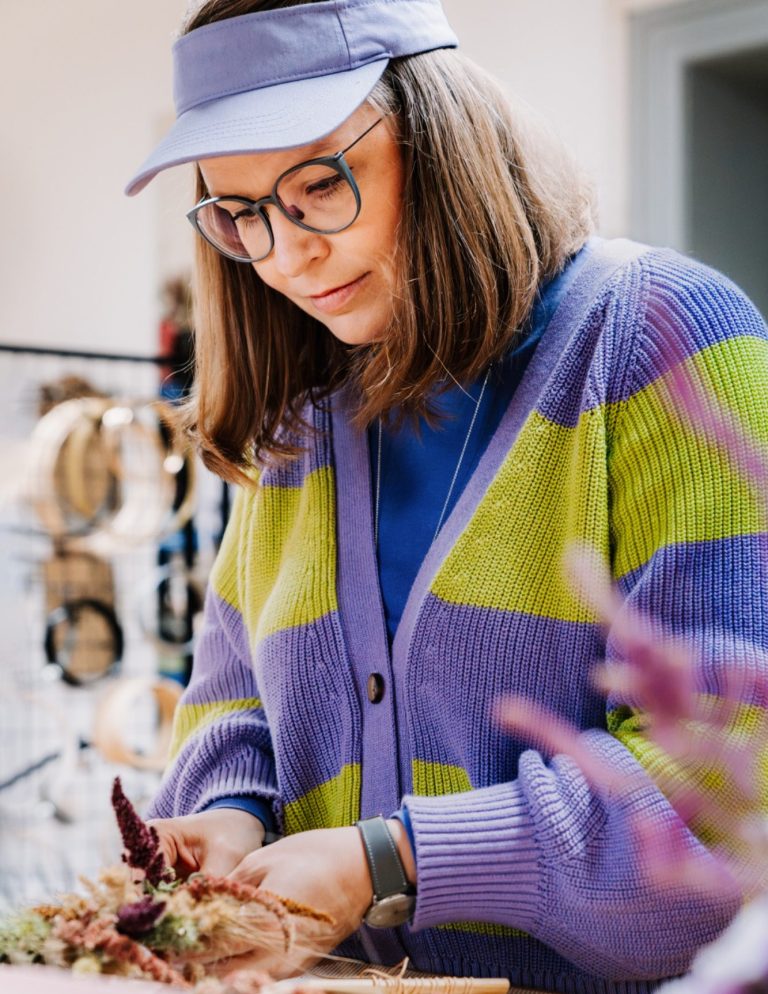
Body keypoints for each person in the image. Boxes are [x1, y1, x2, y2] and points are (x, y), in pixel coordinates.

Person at [126, 1, 768, 991]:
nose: (287, 255)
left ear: (438, 137)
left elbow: (724, 786)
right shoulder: (304, 416)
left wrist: (395, 857)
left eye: (319, 184)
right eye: (239, 212)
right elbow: (232, 705)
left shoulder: (661, 336)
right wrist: (226, 817)